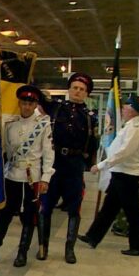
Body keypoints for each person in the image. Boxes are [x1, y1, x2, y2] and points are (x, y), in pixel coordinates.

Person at [0, 85, 54, 266]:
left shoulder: (44, 124)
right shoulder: (9, 124)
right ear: (19, 104)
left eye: (30, 104)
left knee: (28, 216)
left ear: (35, 105)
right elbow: (2, 149)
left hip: (31, 178)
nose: (27, 107)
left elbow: (49, 154)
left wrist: (46, 178)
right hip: (11, 175)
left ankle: (22, 253)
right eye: (24, 103)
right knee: (4, 213)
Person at [79, 94, 139, 256]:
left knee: (133, 212)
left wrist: (101, 165)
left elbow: (124, 152)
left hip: (127, 175)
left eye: (126, 107)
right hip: (121, 172)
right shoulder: (131, 124)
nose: (123, 109)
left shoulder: (136, 127)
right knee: (109, 208)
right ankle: (93, 236)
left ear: (133, 110)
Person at [40, 72, 99, 264]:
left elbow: (93, 144)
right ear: (69, 89)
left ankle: (69, 250)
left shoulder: (90, 117)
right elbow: (36, 96)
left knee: (74, 208)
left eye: (82, 89)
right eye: (75, 88)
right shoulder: (56, 107)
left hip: (74, 165)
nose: (78, 91)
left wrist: (89, 163)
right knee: (46, 206)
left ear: (87, 94)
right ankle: (43, 247)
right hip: (54, 163)